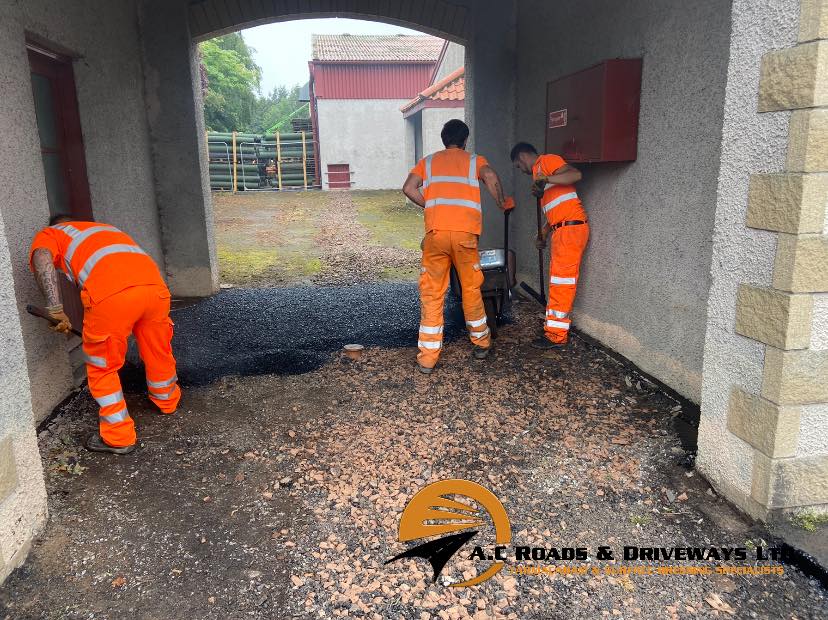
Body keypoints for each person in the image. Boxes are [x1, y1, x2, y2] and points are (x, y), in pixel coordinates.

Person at [29, 214, 181, 454]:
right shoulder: (103, 230)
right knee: (157, 348)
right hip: (155, 289)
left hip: (112, 296)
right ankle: (167, 400)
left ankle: (118, 436)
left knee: (102, 366)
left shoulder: (54, 233)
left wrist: (55, 307)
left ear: (57, 224)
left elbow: (41, 256)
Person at [403, 119, 513, 374]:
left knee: (432, 293)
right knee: (471, 289)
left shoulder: (428, 162)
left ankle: (428, 358)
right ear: (465, 140)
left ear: (444, 139)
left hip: (436, 234)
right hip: (465, 236)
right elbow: (491, 177)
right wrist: (502, 202)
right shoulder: (474, 160)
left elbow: (408, 188)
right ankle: (481, 344)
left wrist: (431, 206)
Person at [511, 142, 589, 350]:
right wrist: (543, 233)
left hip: (570, 230)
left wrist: (546, 178)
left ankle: (556, 335)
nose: (522, 171)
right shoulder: (540, 174)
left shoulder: (546, 161)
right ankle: (554, 327)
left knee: (562, 283)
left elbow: (575, 175)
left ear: (522, 157)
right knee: (558, 281)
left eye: (519, 166)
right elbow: (557, 211)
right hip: (563, 229)